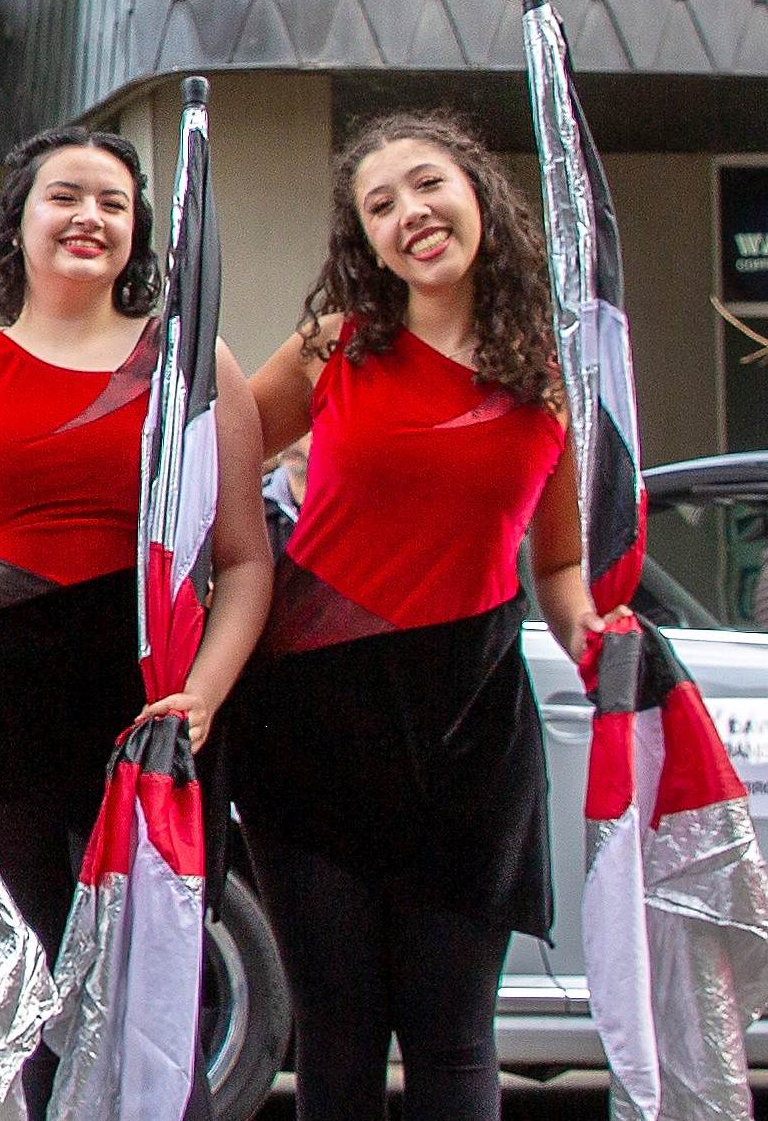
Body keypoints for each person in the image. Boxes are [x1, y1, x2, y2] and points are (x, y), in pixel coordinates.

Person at [223, 116, 584, 1121]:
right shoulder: (335, 344)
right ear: (365, 239)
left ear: (478, 193)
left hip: (470, 731)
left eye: (426, 185)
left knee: (456, 1035)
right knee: (338, 1036)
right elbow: (211, 465)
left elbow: (558, 561)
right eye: (379, 205)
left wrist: (592, 627)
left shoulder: (555, 371)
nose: (409, 213)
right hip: (311, 717)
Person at [0, 126, 272, 1108]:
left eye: (113, 201)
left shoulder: (191, 364)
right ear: (19, 221)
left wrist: (197, 700)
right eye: (64, 195)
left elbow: (247, 560)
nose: (88, 216)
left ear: (139, 232)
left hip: (152, 717)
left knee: (147, 1010)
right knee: (26, 1007)